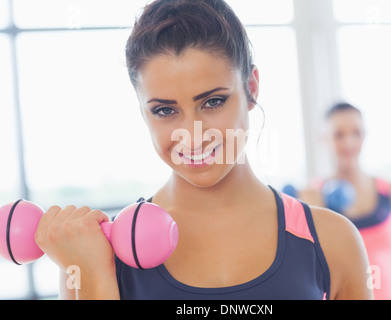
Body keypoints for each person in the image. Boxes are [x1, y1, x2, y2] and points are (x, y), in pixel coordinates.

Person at [34, 0, 371, 300]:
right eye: (165, 110)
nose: (192, 136)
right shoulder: (100, 257)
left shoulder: (332, 241)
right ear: (142, 111)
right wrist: (92, 274)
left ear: (251, 88)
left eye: (213, 102)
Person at [300, 102, 391, 300]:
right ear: (324, 139)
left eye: (356, 133)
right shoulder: (310, 198)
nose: (348, 142)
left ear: (365, 135)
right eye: (339, 135)